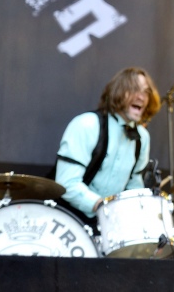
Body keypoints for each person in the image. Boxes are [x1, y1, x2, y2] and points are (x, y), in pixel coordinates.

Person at [55, 67, 161, 223]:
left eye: (146, 91)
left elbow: (134, 187)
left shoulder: (142, 137)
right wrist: (104, 206)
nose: (141, 96)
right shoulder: (87, 125)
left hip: (109, 225)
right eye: (135, 89)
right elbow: (67, 184)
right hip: (68, 221)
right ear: (118, 92)